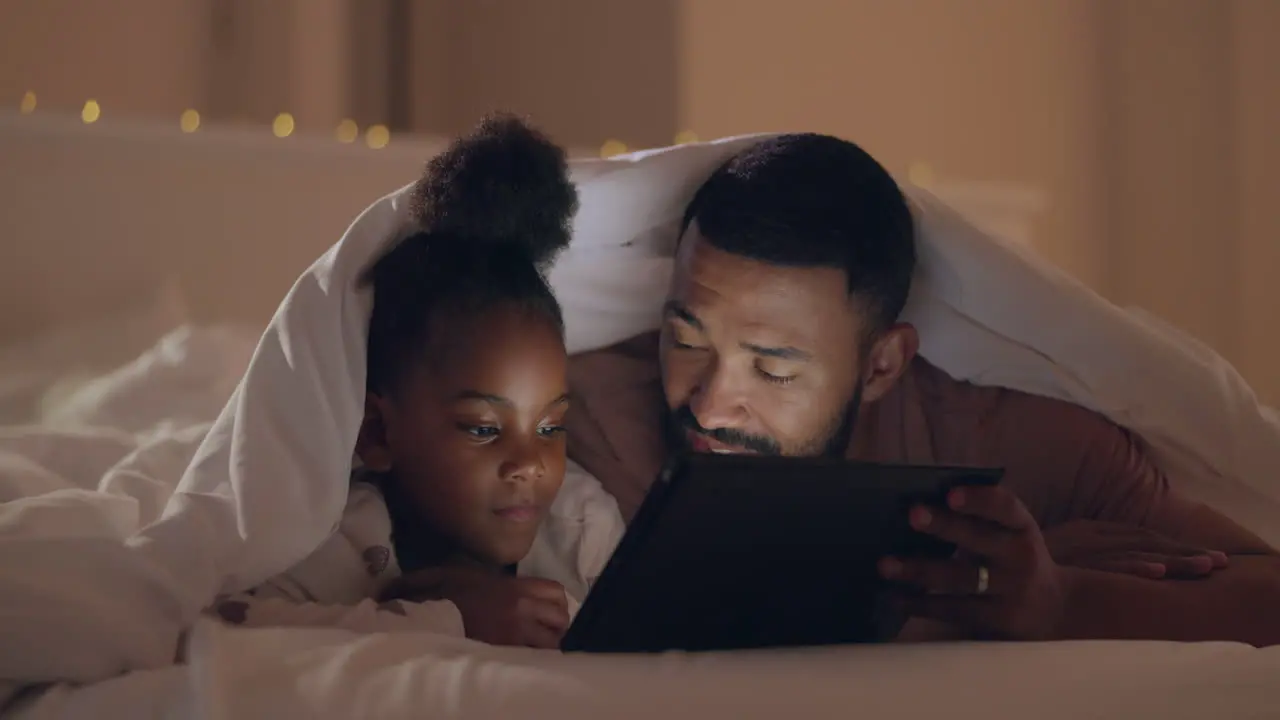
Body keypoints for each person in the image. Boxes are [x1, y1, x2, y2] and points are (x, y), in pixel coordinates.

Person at [564, 133, 1280, 645]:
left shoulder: (1013, 445)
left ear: (882, 365)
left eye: (775, 369)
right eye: (686, 339)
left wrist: (1063, 600)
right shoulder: (586, 405)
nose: (711, 404)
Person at [209, 114, 623, 650]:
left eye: (550, 427)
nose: (529, 464)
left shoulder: (579, 527)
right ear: (379, 432)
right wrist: (442, 621)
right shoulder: (326, 539)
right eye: (481, 429)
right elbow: (224, 626)